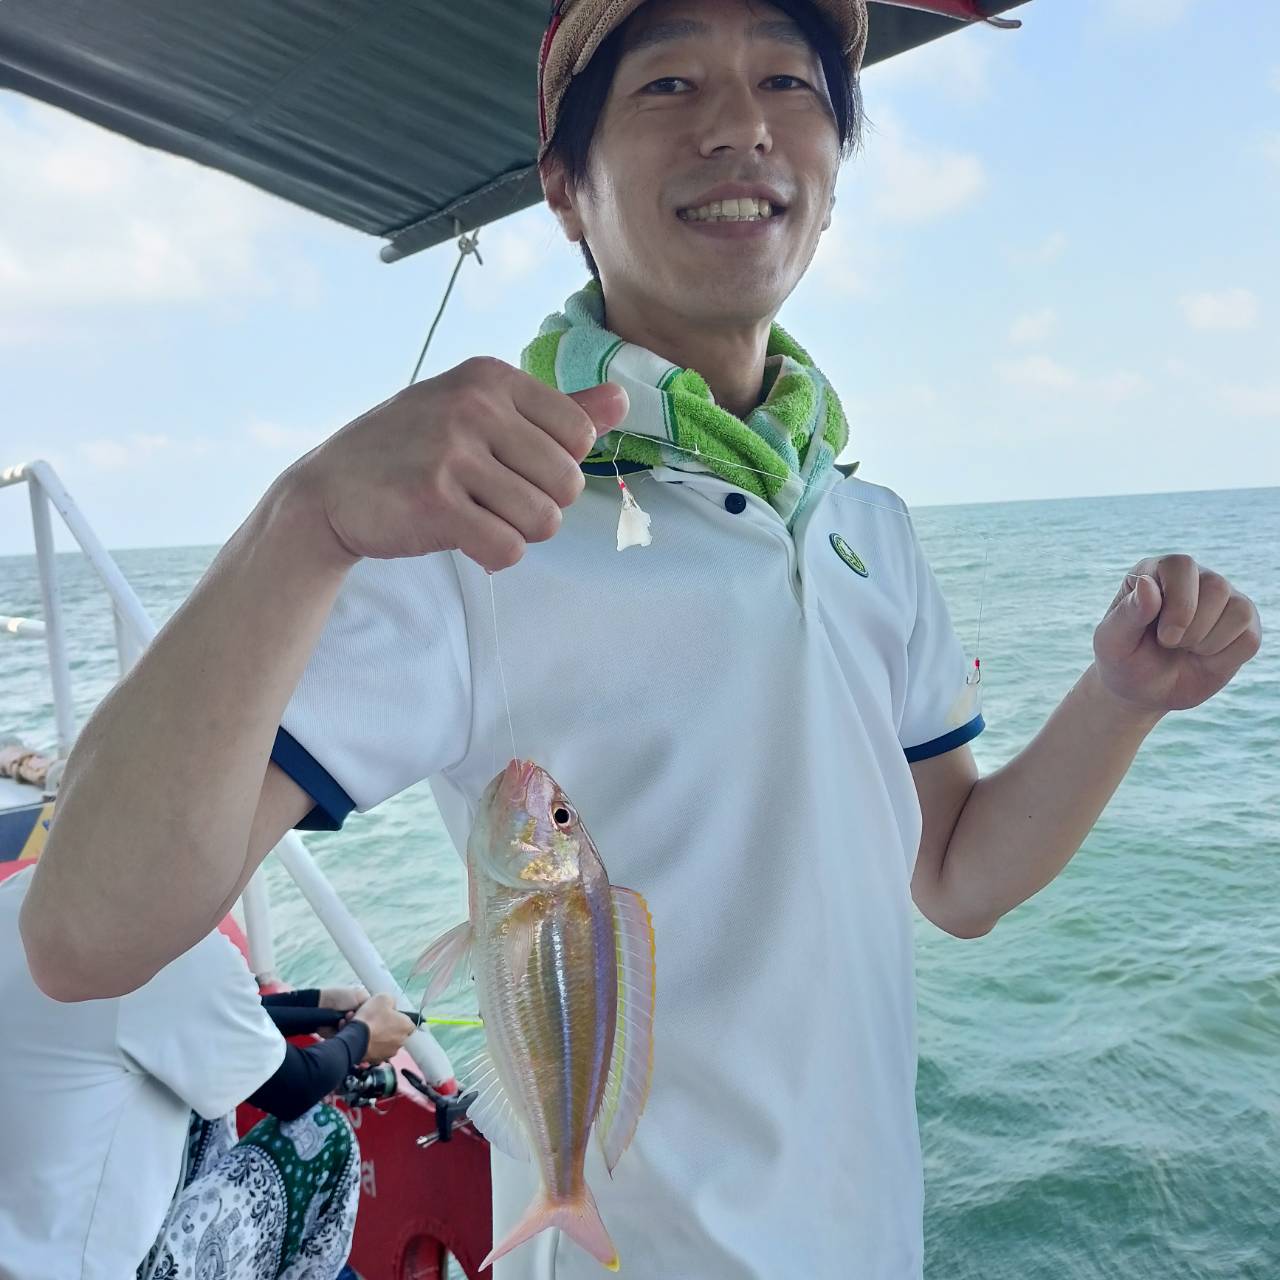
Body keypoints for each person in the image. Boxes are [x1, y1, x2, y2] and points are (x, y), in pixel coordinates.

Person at [19, 0, 1262, 1275]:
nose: (739, 125)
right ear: (565, 187)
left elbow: (954, 876)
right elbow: (84, 933)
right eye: (667, 86)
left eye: (787, 83)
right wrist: (302, 521)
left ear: (832, 179)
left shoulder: (867, 531)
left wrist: (1120, 698)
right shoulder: (472, 516)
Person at [0, 863, 415, 1280]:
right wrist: (363, 1036)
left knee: (200, 1083)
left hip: (23, 1239)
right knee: (324, 1135)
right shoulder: (159, 943)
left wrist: (315, 1003)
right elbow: (296, 1088)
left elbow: (187, 1018)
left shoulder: (19, 897)